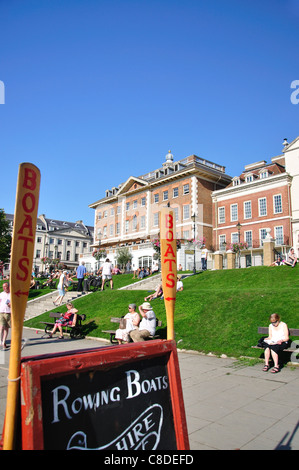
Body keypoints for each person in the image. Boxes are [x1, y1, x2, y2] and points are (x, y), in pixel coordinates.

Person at [0, 283, 11, 350]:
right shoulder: (1, 294)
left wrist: (11, 304)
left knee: (6, 328)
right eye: (3, 287)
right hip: (1, 312)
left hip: (8, 313)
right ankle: (1, 340)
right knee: (1, 327)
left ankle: (4, 342)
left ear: (8, 287)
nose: (4, 288)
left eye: (5, 286)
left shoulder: (11, 294)